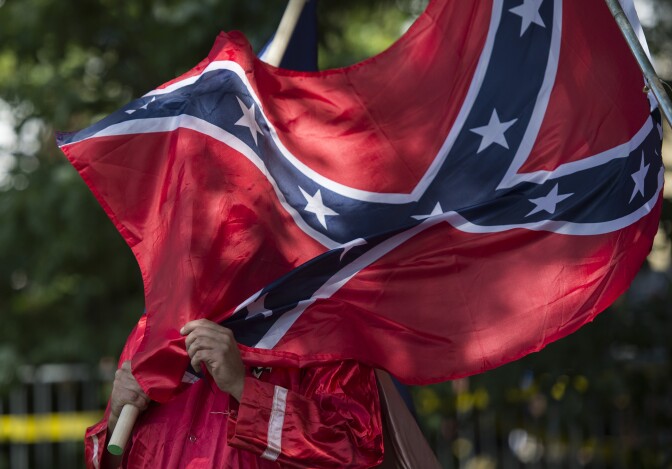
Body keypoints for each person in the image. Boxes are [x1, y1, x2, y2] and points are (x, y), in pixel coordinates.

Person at [85, 316, 384, 468]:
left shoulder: (325, 329)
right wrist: (114, 419)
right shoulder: (150, 331)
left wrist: (244, 388)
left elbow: (355, 455)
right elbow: (113, 460)